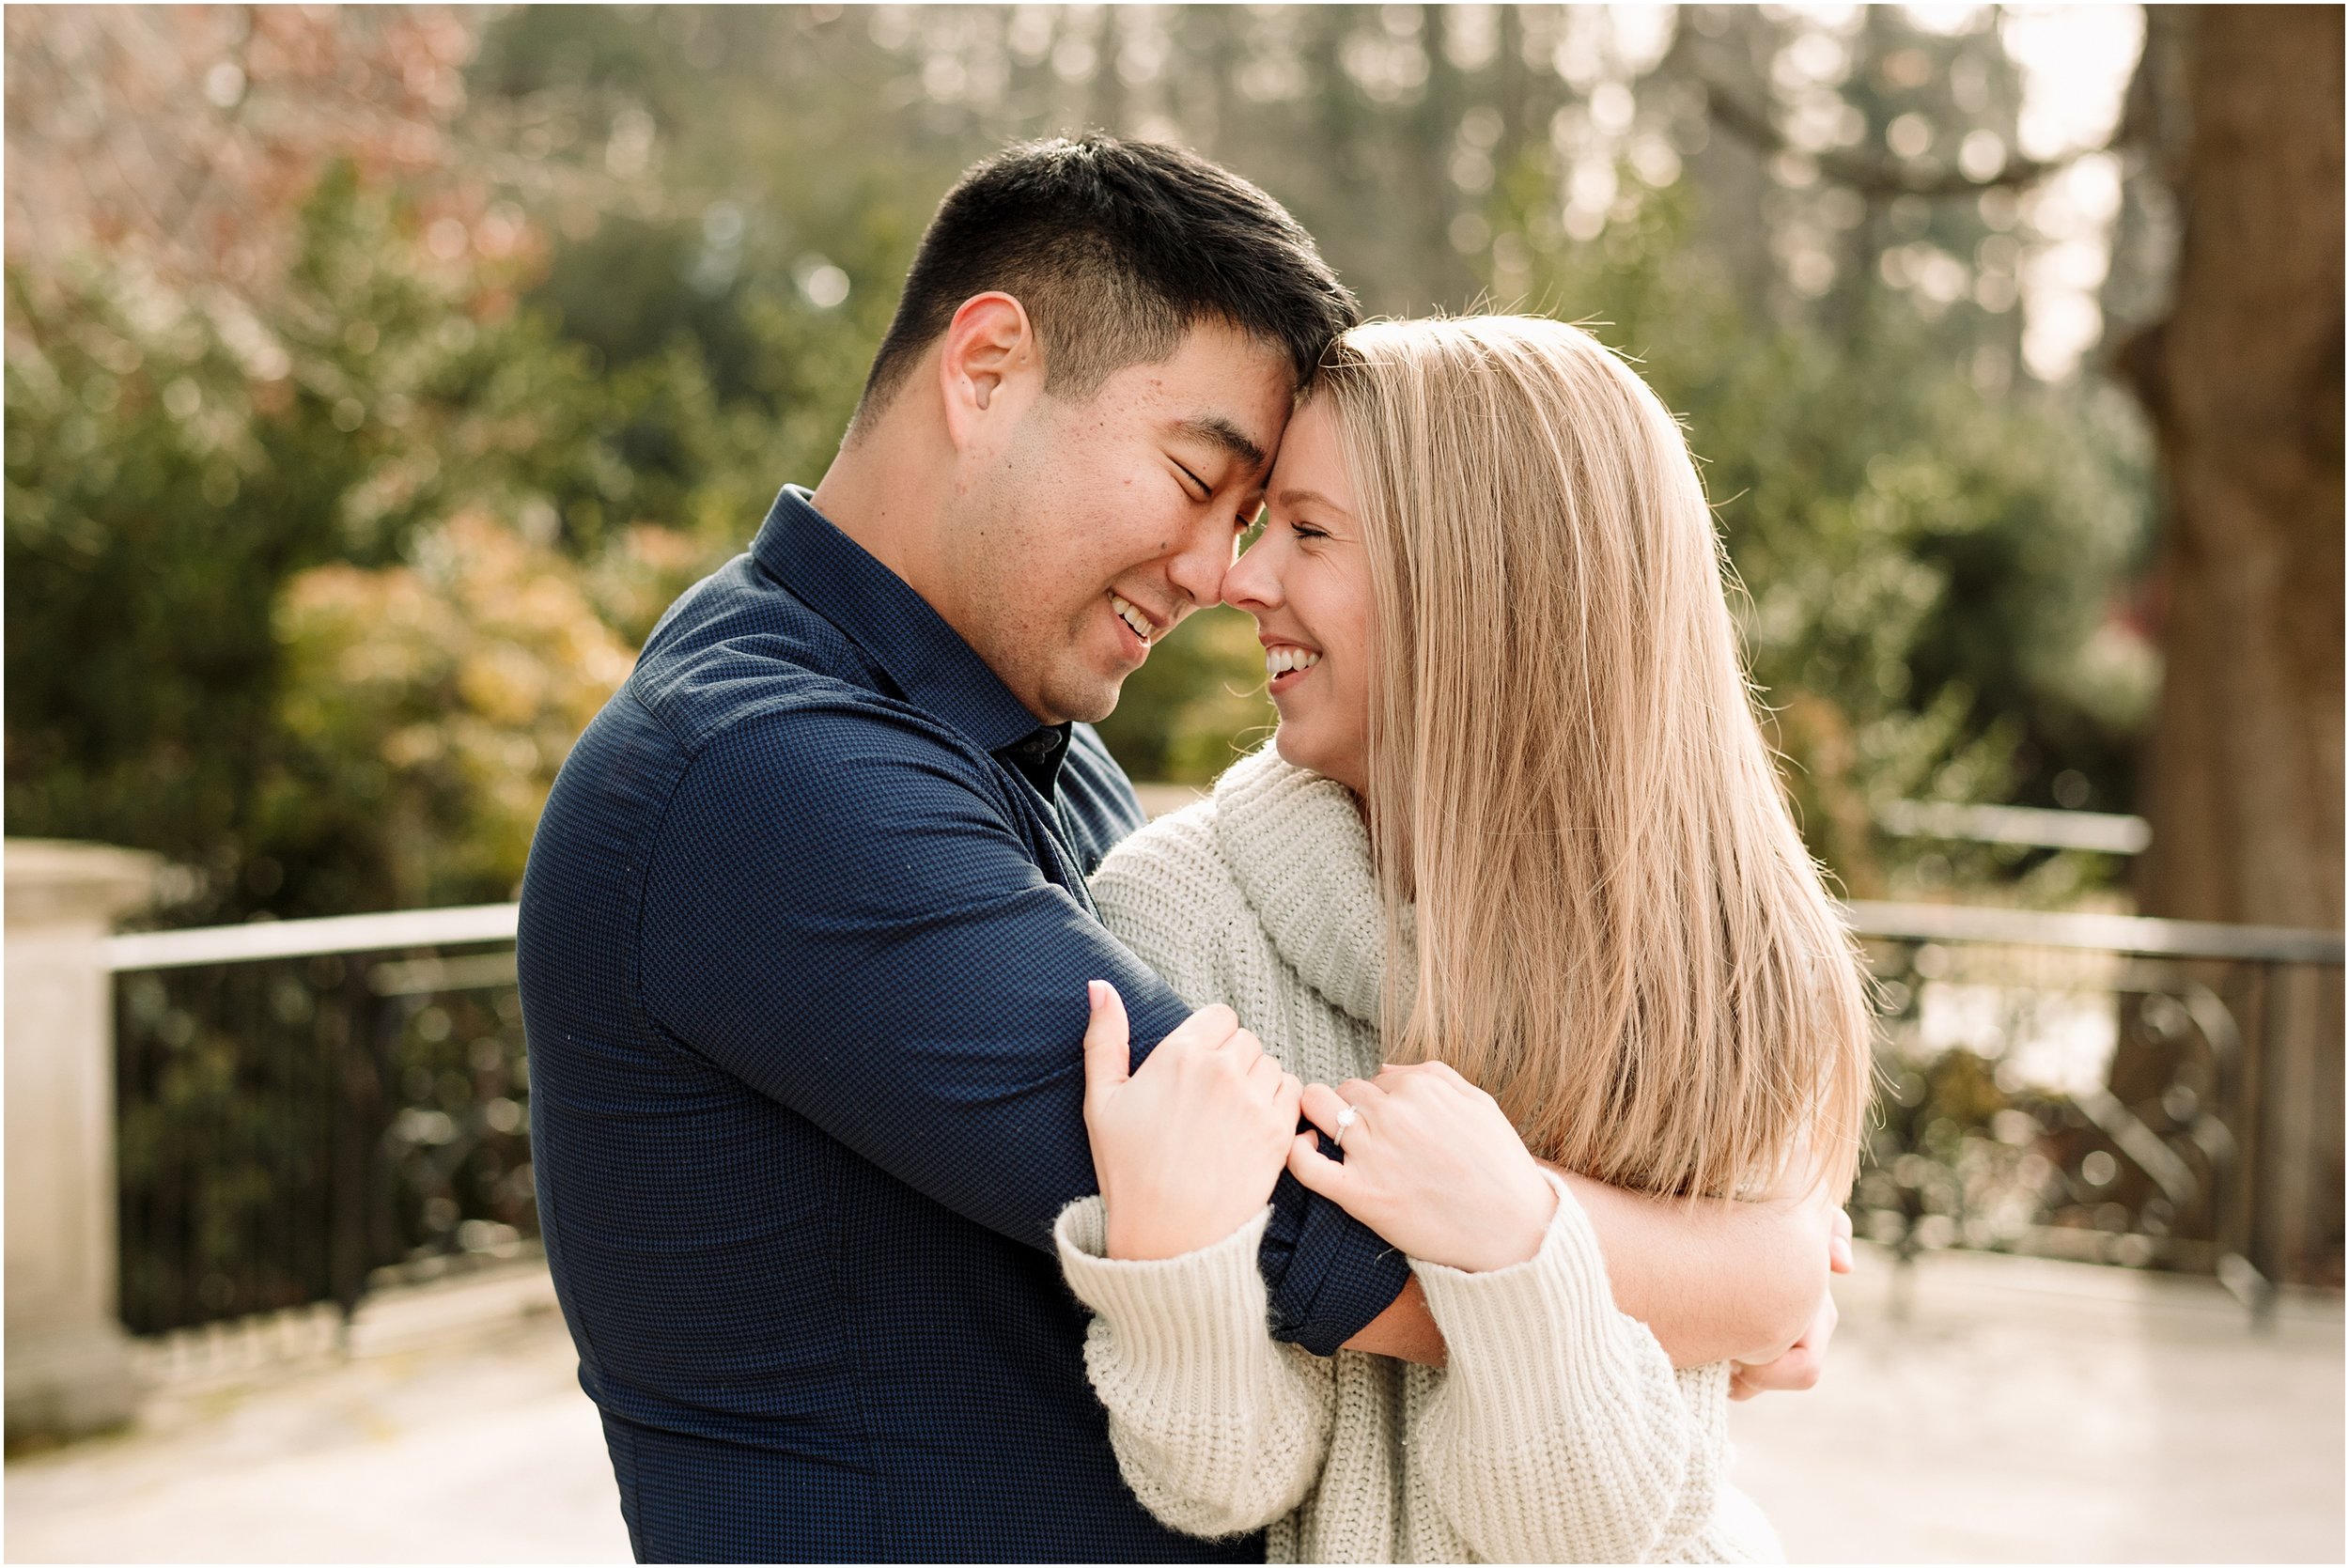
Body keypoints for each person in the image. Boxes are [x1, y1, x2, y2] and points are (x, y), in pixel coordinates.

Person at [517, 138, 1839, 1563]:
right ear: (987, 369)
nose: (1222, 574)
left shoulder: (1047, 754)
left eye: (1265, 516)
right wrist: (1753, 1268)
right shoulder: (761, 775)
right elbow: (1319, 1228)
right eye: (1196, 477)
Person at [1054, 316, 1874, 1561]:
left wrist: (1517, 1238)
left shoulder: (1732, 964)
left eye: (1309, 531)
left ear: (1488, 583)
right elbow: (1224, 1478)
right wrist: (1173, 1269)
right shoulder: (1178, 910)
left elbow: (1590, 1527)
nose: (1240, 578)